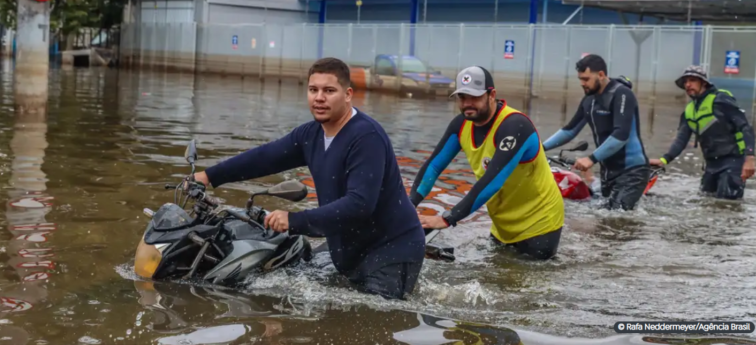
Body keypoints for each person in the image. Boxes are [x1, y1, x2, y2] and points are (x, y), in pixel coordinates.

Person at [190, 57, 426, 300]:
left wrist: (294, 220)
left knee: (369, 328)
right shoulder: (310, 135)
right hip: (350, 249)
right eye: (313, 90)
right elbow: (264, 157)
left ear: (348, 94)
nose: (319, 98)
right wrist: (209, 175)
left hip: (391, 250)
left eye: (329, 90)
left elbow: (359, 204)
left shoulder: (366, 137)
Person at [411, 65, 565, 261]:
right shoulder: (460, 125)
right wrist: (408, 206)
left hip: (540, 223)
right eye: (462, 98)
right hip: (503, 224)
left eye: (474, 97)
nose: (467, 104)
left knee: (527, 286)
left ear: (491, 95)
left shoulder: (515, 126)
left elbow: (493, 180)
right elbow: (433, 166)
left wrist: (447, 218)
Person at [542, 54, 650, 211]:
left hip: (632, 171)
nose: (582, 83)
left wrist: (592, 159)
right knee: (604, 220)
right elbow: (570, 130)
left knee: (618, 218)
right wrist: (539, 148)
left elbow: (621, 135)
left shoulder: (622, 94)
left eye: (586, 79)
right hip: (608, 172)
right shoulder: (589, 100)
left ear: (601, 74)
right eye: (580, 79)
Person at [649, 65, 755, 200]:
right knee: (706, 201)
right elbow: (681, 140)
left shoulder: (721, 100)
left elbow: (745, 127)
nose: (688, 85)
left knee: (728, 205)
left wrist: (750, 158)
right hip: (711, 164)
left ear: (703, 83)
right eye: (685, 82)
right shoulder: (689, 111)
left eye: (692, 80)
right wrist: (664, 160)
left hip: (733, 161)